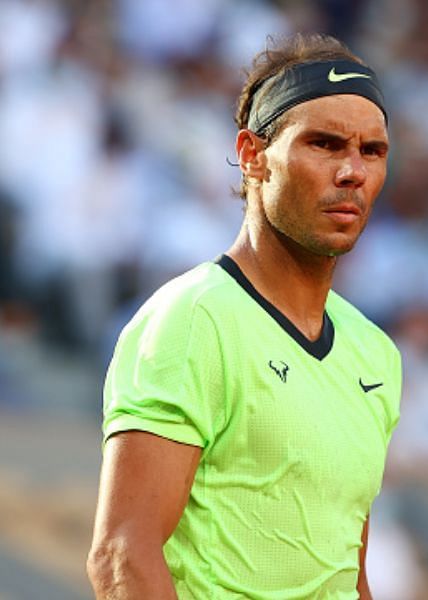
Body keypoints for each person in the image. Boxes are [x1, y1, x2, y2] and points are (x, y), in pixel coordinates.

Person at [86, 33, 399, 599]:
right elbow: (122, 556)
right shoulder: (192, 319)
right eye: (325, 144)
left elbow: (348, 574)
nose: (352, 171)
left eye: (371, 151)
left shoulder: (376, 352)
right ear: (253, 156)